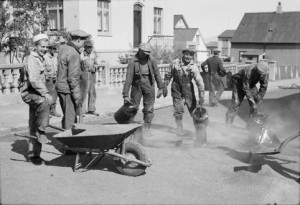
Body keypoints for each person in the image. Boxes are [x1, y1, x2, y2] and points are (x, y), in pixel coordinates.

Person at [20, 33, 53, 164]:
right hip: (29, 92)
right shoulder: (32, 59)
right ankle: (41, 131)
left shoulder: (41, 58)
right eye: (42, 46)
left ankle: (35, 155)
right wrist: (45, 93)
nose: (45, 49)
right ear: (35, 46)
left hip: (36, 93)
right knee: (44, 103)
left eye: (46, 47)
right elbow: (33, 80)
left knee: (35, 121)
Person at [163, 48, 206, 146]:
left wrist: (201, 96)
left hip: (188, 91)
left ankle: (200, 134)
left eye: (190, 55)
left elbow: (199, 82)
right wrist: (164, 86)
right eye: (186, 54)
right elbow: (168, 75)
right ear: (183, 54)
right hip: (176, 89)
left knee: (195, 112)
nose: (188, 57)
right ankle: (179, 132)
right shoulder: (175, 63)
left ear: (192, 57)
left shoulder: (194, 67)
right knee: (178, 112)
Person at [122, 43, 165, 136]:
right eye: (145, 52)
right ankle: (129, 129)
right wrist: (125, 94)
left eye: (148, 52)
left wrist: (160, 87)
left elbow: (157, 73)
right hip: (136, 86)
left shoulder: (151, 59)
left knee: (149, 108)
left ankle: (147, 128)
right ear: (140, 51)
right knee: (132, 107)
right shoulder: (133, 61)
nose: (147, 54)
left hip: (149, 85)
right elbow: (129, 78)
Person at [56, 30, 89, 129]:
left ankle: (65, 138)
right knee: (70, 118)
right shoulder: (74, 53)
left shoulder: (63, 48)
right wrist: (77, 95)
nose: (84, 45)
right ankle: (68, 141)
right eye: (83, 42)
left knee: (67, 115)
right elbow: (73, 77)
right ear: (78, 40)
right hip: (68, 89)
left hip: (60, 87)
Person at [225, 60, 269, 126]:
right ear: (256, 69)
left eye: (262, 74)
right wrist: (252, 102)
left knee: (257, 103)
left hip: (250, 85)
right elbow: (245, 88)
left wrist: (259, 97)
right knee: (236, 102)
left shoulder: (265, 72)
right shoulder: (249, 70)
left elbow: (264, 86)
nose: (261, 75)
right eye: (259, 73)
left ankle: (253, 124)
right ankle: (228, 123)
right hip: (238, 84)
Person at [80, 40, 99, 116]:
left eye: (90, 47)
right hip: (84, 74)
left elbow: (96, 64)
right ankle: (81, 111)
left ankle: (91, 109)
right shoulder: (81, 55)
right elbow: (78, 65)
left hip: (92, 75)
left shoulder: (93, 55)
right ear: (84, 47)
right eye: (87, 47)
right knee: (83, 93)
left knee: (92, 92)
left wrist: (94, 68)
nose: (89, 49)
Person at [44, 42, 61, 117]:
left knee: (54, 95)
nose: (53, 50)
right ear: (49, 49)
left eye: (55, 49)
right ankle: (46, 112)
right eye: (52, 48)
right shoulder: (45, 57)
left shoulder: (55, 58)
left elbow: (57, 68)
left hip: (55, 78)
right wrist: (46, 76)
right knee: (48, 96)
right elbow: (43, 68)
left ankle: (53, 110)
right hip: (48, 79)